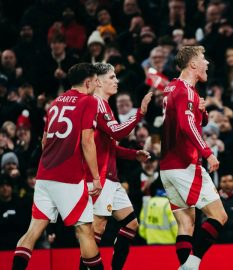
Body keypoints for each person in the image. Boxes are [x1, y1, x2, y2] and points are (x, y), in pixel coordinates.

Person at [12, 63, 104, 270]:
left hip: (44, 175)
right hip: (68, 177)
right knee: (84, 231)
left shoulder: (55, 103)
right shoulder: (88, 101)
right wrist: (96, 177)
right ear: (88, 81)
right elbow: (87, 140)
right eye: (96, 80)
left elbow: (44, 141)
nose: (98, 83)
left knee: (33, 230)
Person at [160, 46, 228, 270]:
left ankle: (186, 266)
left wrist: (202, 111)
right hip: (185, 164)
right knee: (219, 215)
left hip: (167, 168)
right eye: (203, 59)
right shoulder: (187, 91)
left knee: (186, 223)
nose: (207, 63)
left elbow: (194, 120)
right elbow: (186, 124)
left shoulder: (171, 88)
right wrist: (208, 153)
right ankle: (192, 265)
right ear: (192, 64)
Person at [79, 62, 153, 270]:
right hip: (99, 177)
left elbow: (110, 145)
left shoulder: (105, 106)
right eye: (112, 77)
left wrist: (133, 155)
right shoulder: (97, 103)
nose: (116, 81)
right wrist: (139, 114)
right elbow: (118, 133)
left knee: (131, 224)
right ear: (99, 82)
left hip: (111, 178)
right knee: (96, 230)